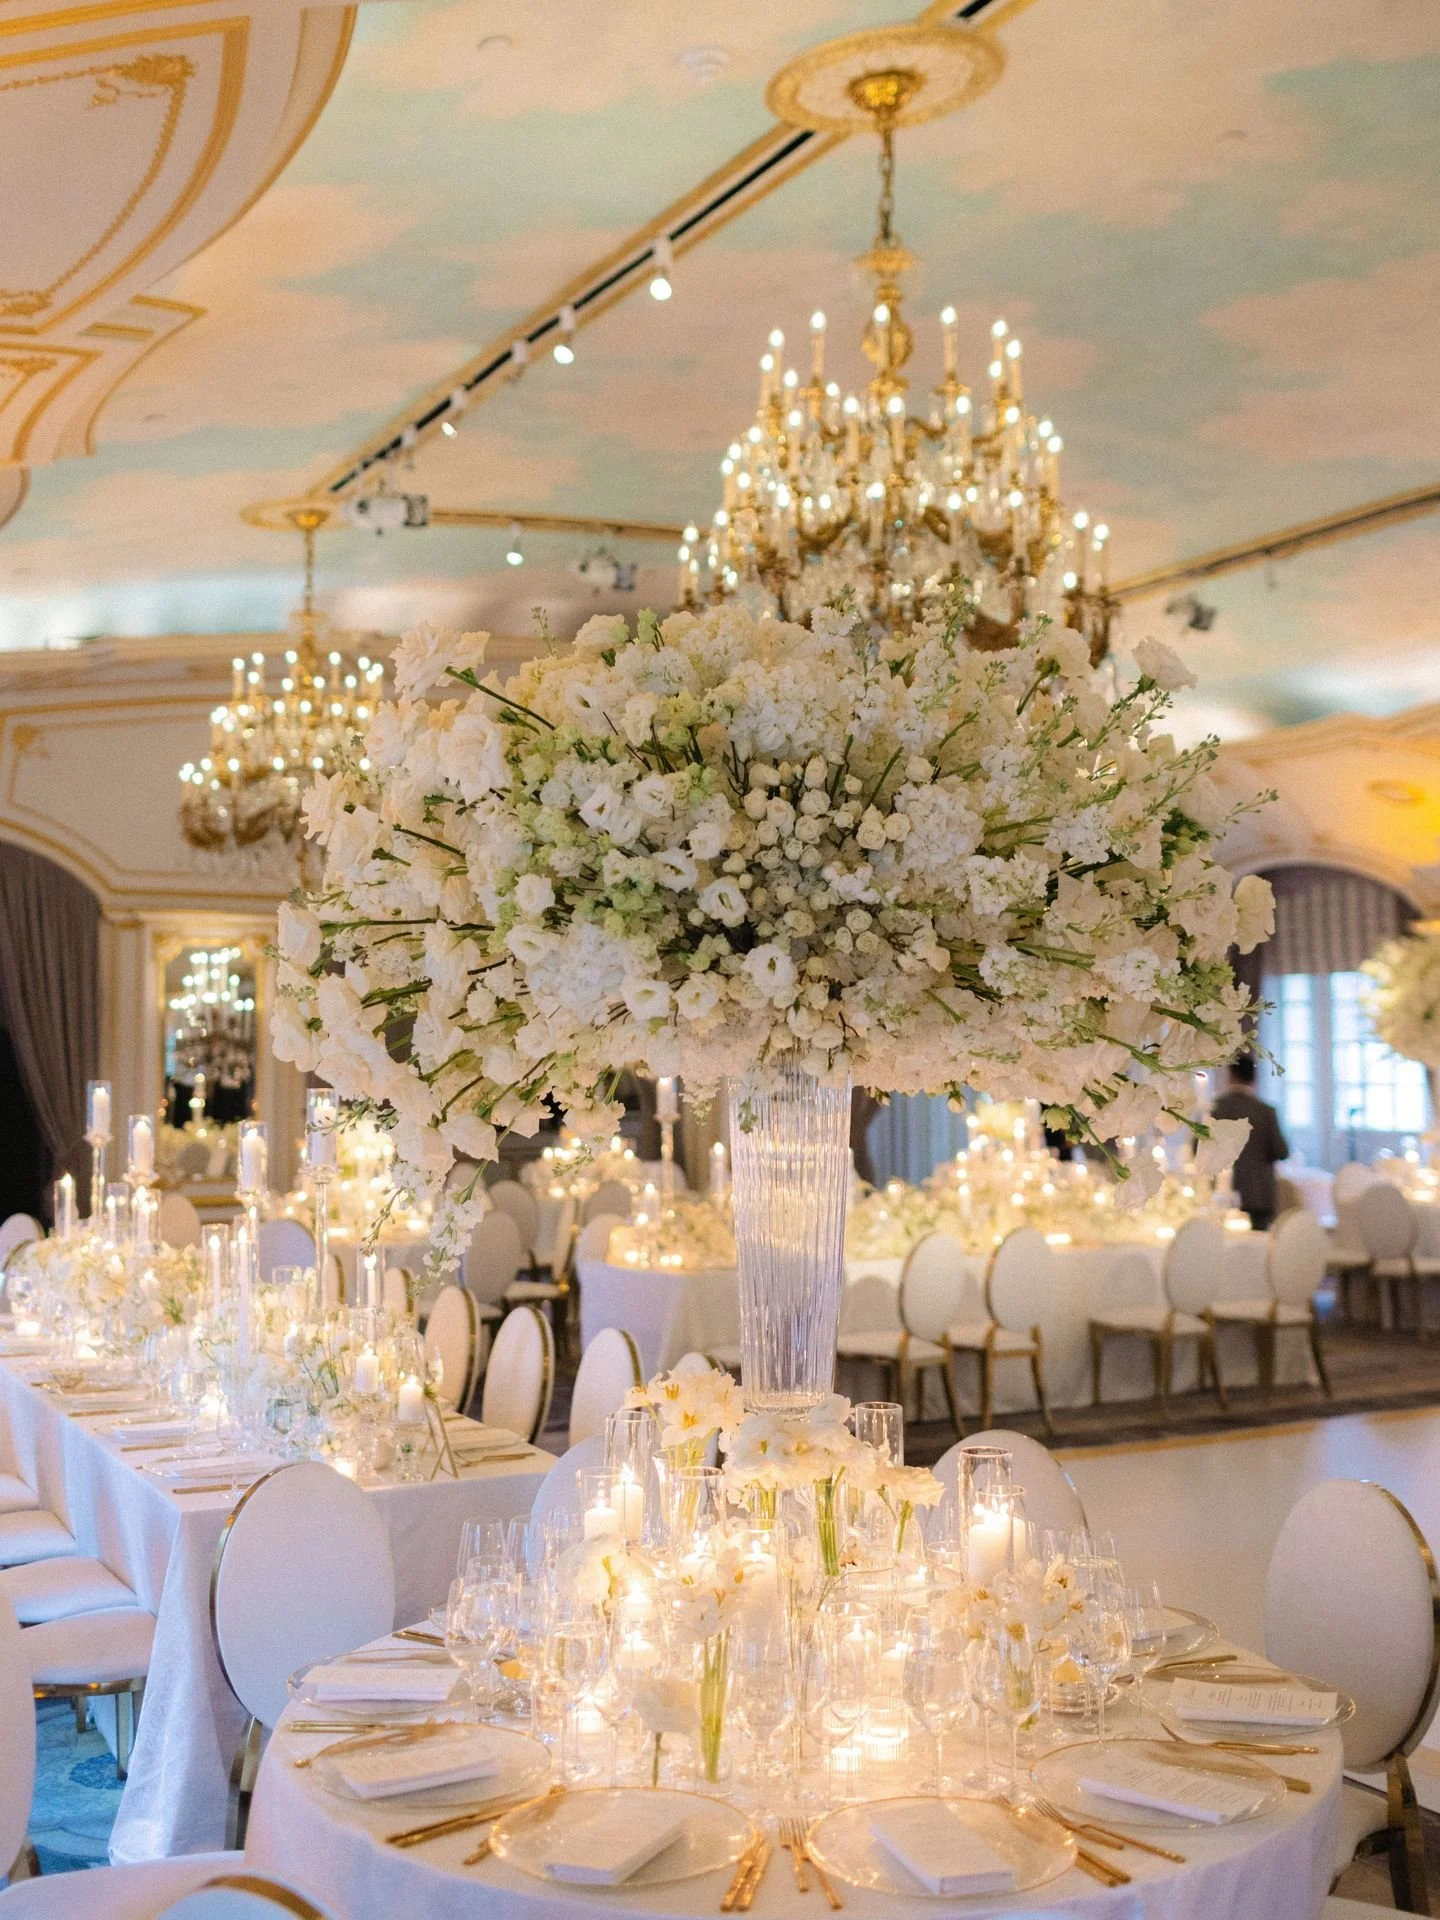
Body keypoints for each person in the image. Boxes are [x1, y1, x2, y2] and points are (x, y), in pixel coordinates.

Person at [1211, 1055, 1289, 1230]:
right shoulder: (1265, 1111)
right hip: (1259, 1194)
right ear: (1254, 1077)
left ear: (1230, 1075)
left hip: (1223, 1194)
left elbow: (1199, 1150)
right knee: (1258, 1252)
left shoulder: (1217, 1109)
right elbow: (1282, 1151)